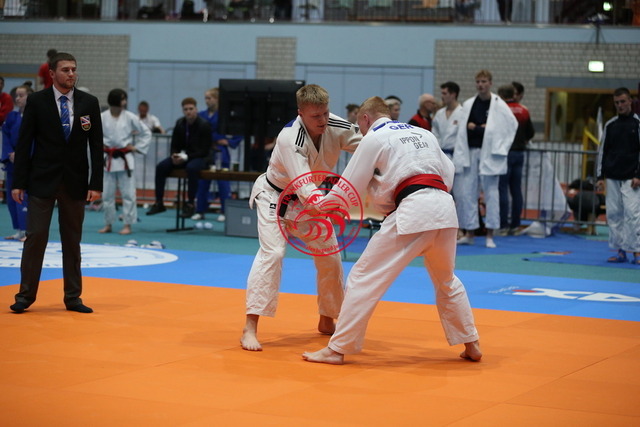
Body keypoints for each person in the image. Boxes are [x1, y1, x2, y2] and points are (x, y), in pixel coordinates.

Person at [302, 96, 481, 365]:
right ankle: (471, 343)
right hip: (444, 208)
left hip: (414, 209)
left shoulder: (375, 137)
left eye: (360, 127)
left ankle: (337, 349)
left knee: (362, 276)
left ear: (365, 119)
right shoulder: (423, 133)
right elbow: (449, 170)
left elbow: (349, 185)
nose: (361, 133)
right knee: (446, 279)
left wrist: (320, 205)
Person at [241, 84, 361, 352]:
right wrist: (329, 206)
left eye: (325, 113)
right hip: (275, 197)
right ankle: (250, 327)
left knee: (330, 255)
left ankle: (327, 318)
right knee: (273, 253)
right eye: (315, 116)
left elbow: (368, 147)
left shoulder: (335, 125)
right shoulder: (289, 139)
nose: (322, 120)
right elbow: (303, 183)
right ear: (301, 113)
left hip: (309, 201)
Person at [10, 52, 103, 314]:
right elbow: (24, 143)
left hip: (75, 181)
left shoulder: (89, 103)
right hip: (42, 179)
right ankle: (25, 295)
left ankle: (73, 297)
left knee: (72, 241)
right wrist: (18, 183)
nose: (71, 74)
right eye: (65, 70)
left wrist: (96, 184)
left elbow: (96, 145)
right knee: (35, 237)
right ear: (52, 74)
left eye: (73, 69)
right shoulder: (37, 101)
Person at [452, 70, 518, 248]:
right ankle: (470, 232)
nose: (480, 85)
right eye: (478, 82)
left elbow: (511, 125)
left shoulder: (499, 105)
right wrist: (478, 128)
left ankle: (490, 235)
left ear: (490, 83)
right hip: (470, 152)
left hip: (490, 153)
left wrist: (482, 129)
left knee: (491, 193)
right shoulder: (468, 104)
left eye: (484, 81)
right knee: (467, 193)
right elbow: (463, 128)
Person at [146, 97, 211, 218]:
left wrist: (186, 156)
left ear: (196, 110)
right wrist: (174, 155)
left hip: (200, 157)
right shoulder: (180, 123)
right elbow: (174, 144)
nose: (188, 112)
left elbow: (204, 150)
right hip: (183, 156)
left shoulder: (204, 125)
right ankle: (159, 202)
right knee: (161, 167)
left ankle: (190, 204)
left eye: (191, 109)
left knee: (192, 168)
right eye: (186, 109)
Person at [596, 87, 640, 265]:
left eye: (623, 101)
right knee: (614, 214)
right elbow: (603, 152)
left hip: (632, 178)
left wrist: (639, 174)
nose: (620, 105)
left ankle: (637, 251)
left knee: (633, 214)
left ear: (630, 101)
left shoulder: (638, 124)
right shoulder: (610, 125)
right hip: (612, 176)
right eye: (617, 103)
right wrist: (600, 177)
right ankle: (620, 251)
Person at [99, 88, 151, 235]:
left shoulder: (130, 117)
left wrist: (136, 147)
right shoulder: (102, 117)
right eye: (123, 99)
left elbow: (146, 132)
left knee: (128, 194)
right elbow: (93, 134)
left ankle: (127, 224)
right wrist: (100, 145)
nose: (125, 102)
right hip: (108, 158)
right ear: (115, 100)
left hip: (124, 159)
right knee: (107, 195)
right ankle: (108, 223)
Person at [193, 87, 243, 222]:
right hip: (206, 151)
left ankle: (225, 211)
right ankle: (200, 210)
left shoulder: (225, 115)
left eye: (209, 98)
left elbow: (240, 130)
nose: (207, 101)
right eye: (206, 98)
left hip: (221, 151)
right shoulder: (201, 115)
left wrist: (229, 141)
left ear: (217, 99)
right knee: (203, 181)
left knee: (223, 181)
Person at [497, 84, 534, 235]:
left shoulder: (500, 110)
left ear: (500, 96)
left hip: (505, 152)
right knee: (516, 189)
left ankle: (503, 225)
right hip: (519, 152)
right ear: (514, 94)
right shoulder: (523, 110)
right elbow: (530, 132)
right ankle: (515, 225)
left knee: (502, 189)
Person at [2, 84, 33, 241]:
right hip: (12, 163)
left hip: (27, 162)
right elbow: (5, 137)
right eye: (16, 95)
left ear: (30, 97)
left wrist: (21, 155)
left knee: (24, 196)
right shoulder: (11, 117)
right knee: (11, 197)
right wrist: (10, 154)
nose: (17, 98)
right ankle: (19, 230)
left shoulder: (35, 118)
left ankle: (28, 230)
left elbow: (34, 141)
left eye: (21, 95)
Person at [432, 81, 464, 160]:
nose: (442, 96)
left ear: (453, 94)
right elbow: (435, 134)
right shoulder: (439, 113)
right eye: (442, 93)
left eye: (444, 93)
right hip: (440, 154)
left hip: (456, 155)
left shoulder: (463, 113)